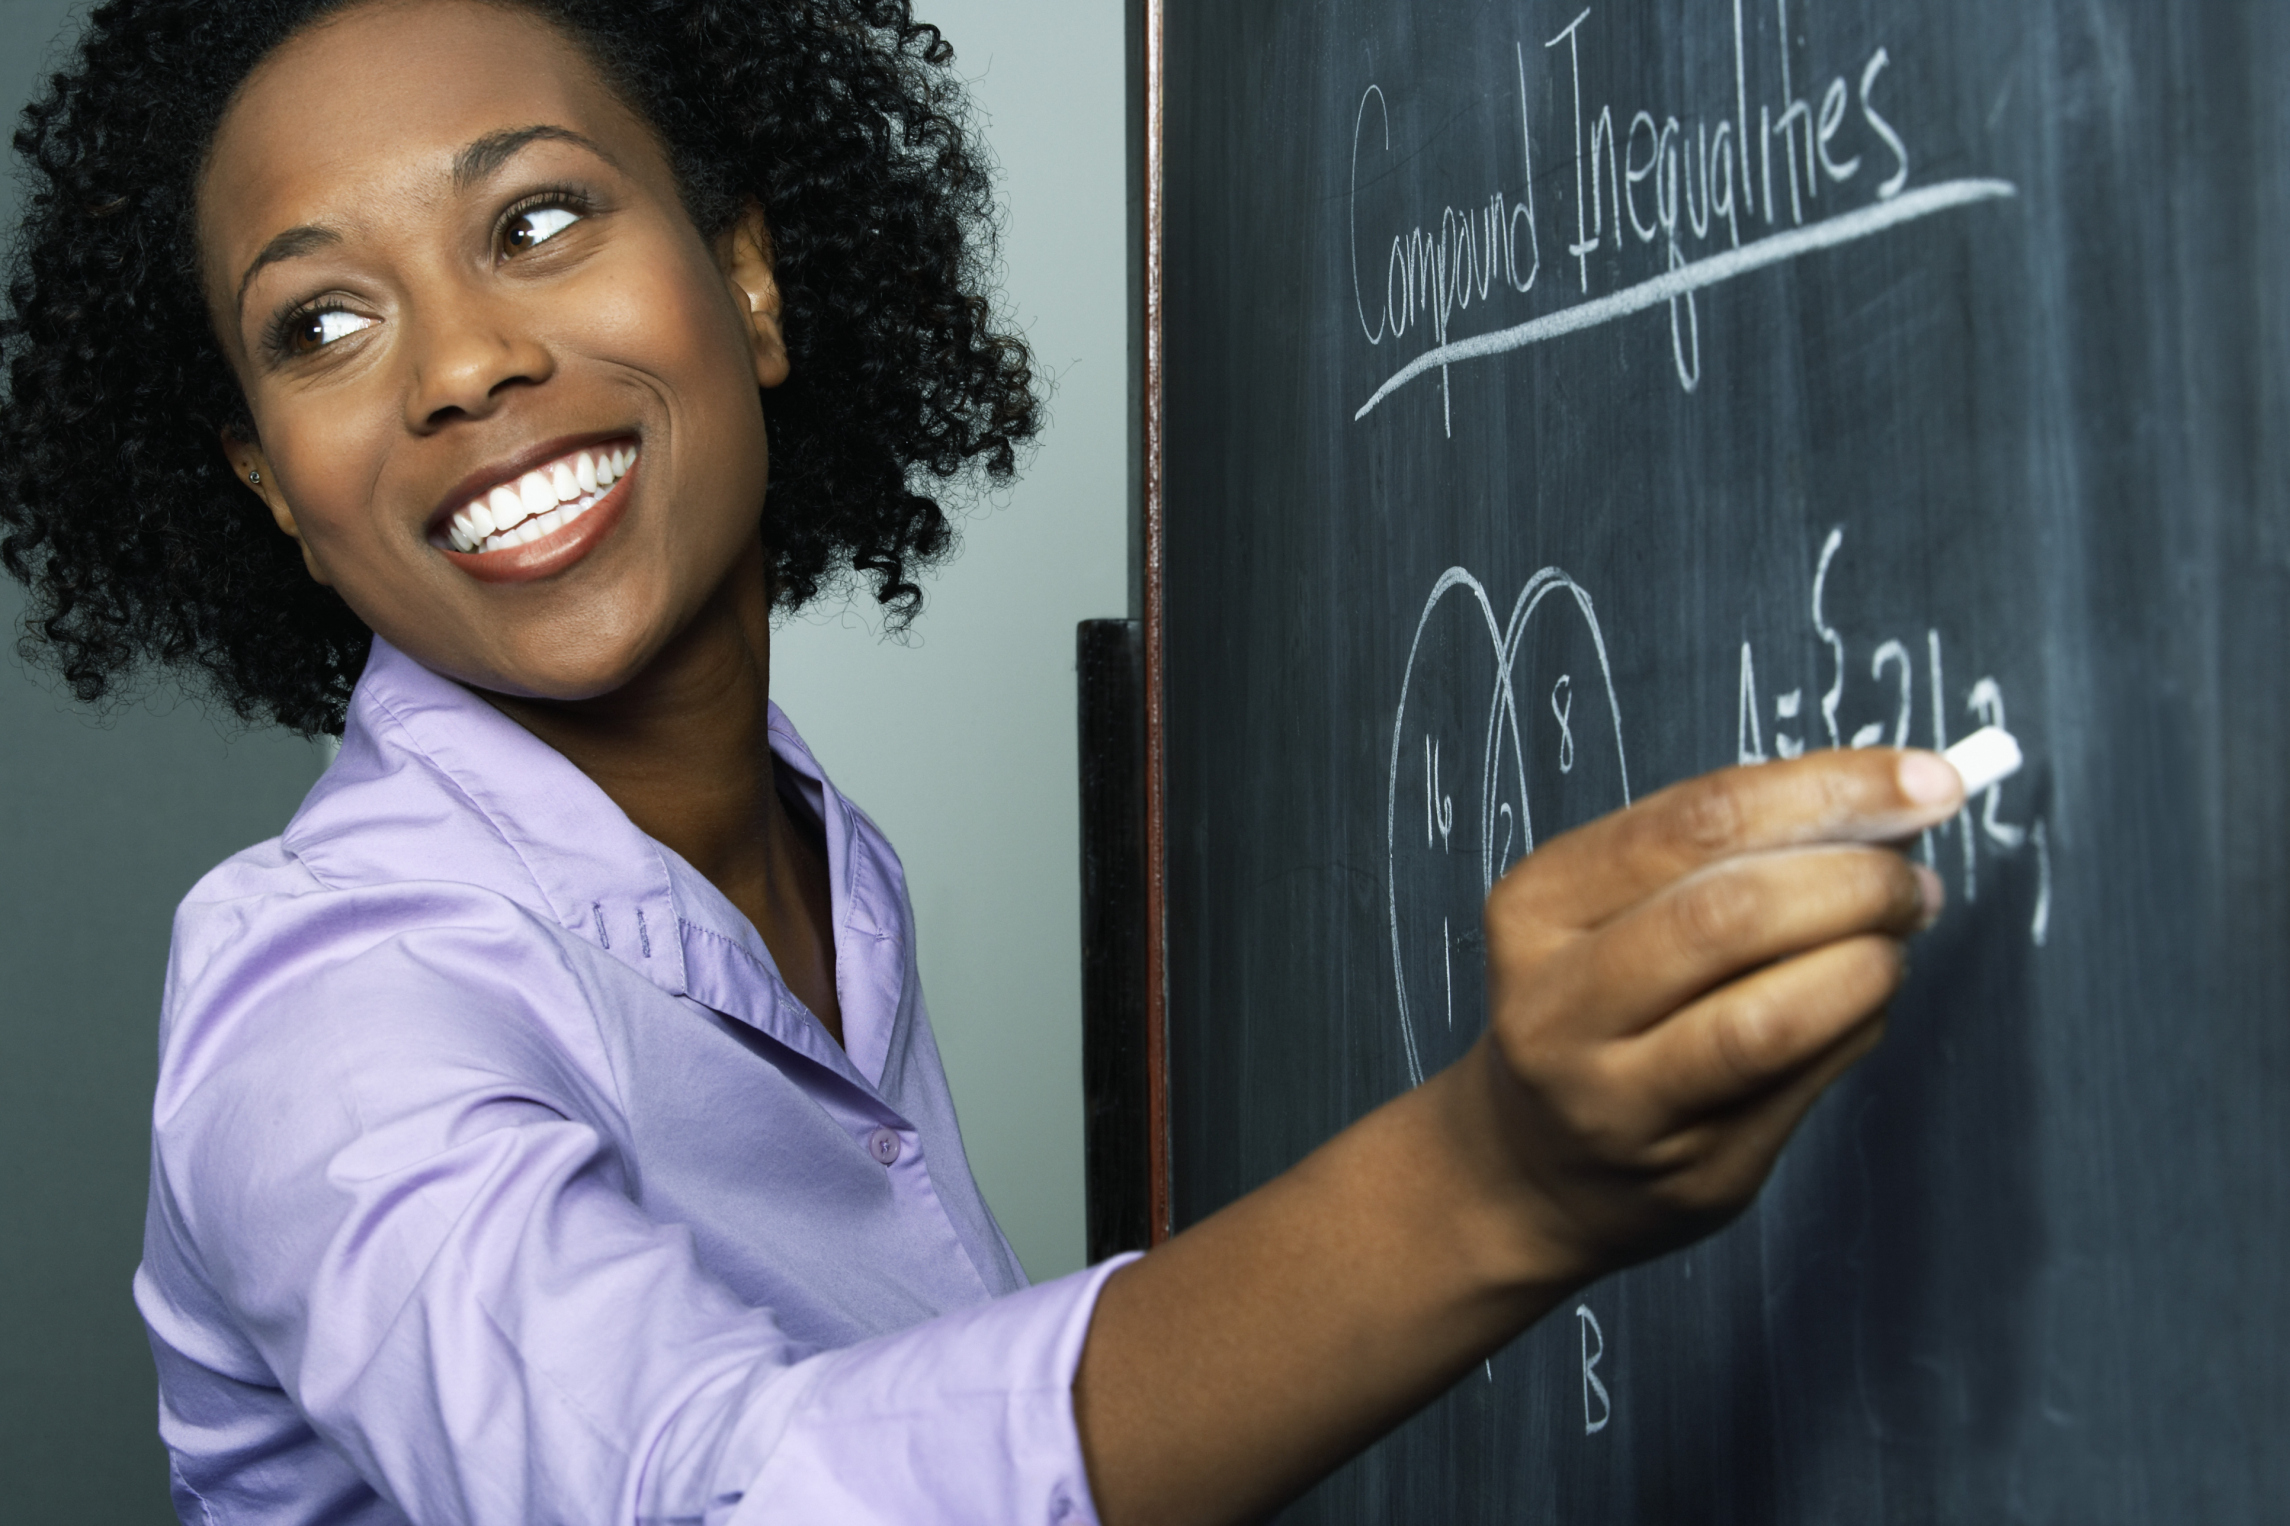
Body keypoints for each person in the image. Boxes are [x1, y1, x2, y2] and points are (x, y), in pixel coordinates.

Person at [0, 1, 1966, 1521]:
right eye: (322, 322)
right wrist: (1485, 1184)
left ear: (748, 279)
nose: (453, 365)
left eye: (536, 217)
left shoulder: (794, 848)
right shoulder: (327, 997)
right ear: (269, 489)